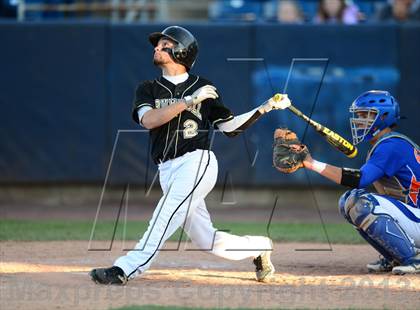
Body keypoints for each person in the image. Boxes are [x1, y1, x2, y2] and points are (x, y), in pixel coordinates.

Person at [89, 26, 291, 285]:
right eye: (158, 45)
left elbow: (229, 128)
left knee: (166, 212)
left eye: (164, 44)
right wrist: (187, 102)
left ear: (181, 50)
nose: (156, 48)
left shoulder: (204, 86)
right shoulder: (148, 88)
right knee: (207, 240)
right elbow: (149, 120)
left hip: (196, 163)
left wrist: (265, 107)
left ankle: (124, 269)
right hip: (167, 169)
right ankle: (259, 247)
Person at [299, 90, 419, 274]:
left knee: (361, 203)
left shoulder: (390, 145)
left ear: (384, 116)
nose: (359, 120)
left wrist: (311, 163)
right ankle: (395, 256)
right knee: (347, 203)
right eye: (359, 115)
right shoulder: (388, 144)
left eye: (366, 115)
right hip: (414, 216)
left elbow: (360, 180)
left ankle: (413, 258)